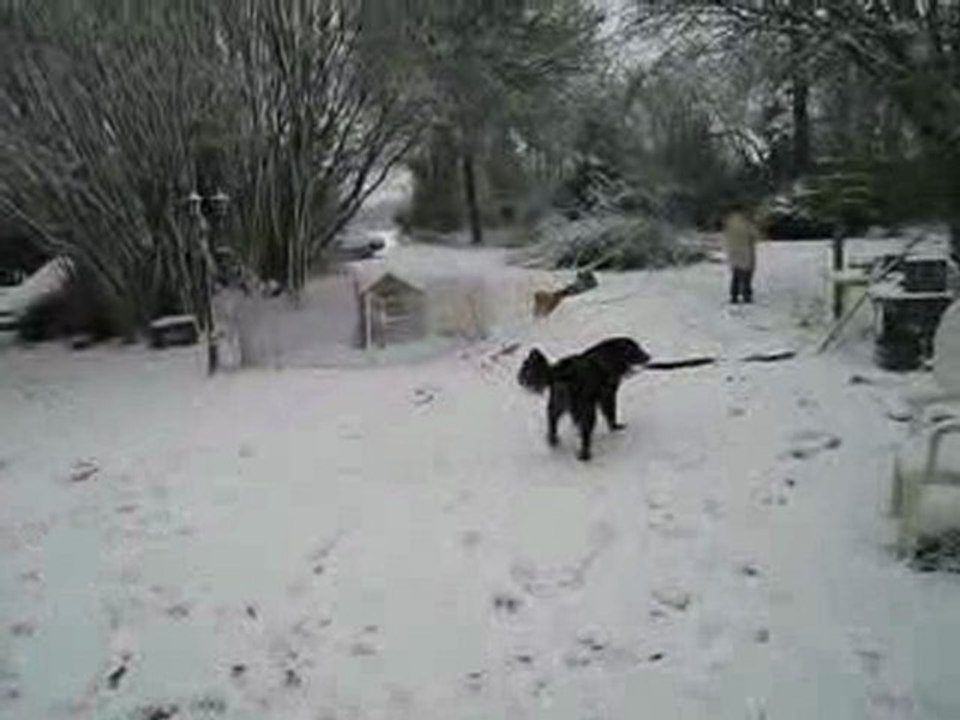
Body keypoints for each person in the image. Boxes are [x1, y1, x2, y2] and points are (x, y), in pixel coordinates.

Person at [722, 203, 763, 304]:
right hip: (746, 250)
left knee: (736, 274)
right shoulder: (746, 222)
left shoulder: (729, 221)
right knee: (747, 274)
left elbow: (726, 235)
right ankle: (746, 295)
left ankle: (734, 295)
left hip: (733, 251)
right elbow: (755, 235)